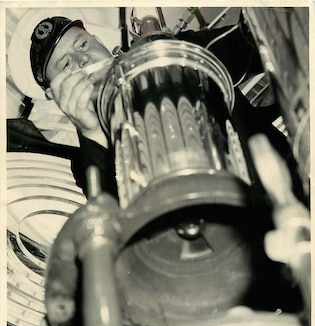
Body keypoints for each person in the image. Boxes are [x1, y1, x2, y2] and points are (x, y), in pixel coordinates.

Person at [9, 12, 303, 203]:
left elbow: (247, 46)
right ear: (53, 94)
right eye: (66, 64)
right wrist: (92, 132)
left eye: (82, 45)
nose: (82, 59)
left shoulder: (171, 53)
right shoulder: (89, 160)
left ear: (98, 40)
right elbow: (114, 221)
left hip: (297, 187)